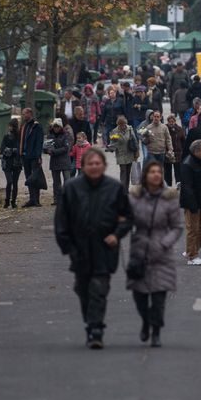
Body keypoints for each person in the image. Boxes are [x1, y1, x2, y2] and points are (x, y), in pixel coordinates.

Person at [55, 147, 133, 348]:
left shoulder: (114, 188)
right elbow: (61, 222)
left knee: (99, 288)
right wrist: (68, 247)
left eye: (98, 163)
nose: (94, 167)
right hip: (79, 249)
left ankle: (96, 328)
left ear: (104, 166)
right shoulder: (71, 188)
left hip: (105, 249)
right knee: (83, 289)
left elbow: (127, 217)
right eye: (90, 163)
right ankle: (90, 322)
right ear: (83, 166)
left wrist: (116, 235)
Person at [127, 161, 183, 348]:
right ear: (146, 175)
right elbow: (126, 218)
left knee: (159, 298)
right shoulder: (135, 197)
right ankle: (145, 321)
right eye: (152, 172)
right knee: (140, 296)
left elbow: (177, 227)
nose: (156, 175)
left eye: (159, 172)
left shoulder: (170, 198)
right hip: (139, 252)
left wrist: (164, 243)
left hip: (161, 254)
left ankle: (156, 331)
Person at [178, 139, 201, 265]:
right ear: (196, 151)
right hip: (193, 203)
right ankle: (192, 256)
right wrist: (192, 205)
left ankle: (190, 250)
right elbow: (187, 187)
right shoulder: (188, 164)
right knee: (193, 229)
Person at [19, 107, 45, 207]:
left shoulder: (36, 126)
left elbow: (39, 141)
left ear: (30, 114)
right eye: (22, 114)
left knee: (35, 178)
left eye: (24, 114)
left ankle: (36, 199)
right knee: (28, 178)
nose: (23, 116)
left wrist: (38, 155)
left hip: (33, 156)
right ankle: (31, 198)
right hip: (25, 155)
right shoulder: (24, 126)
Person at [47, 119, 74, 205]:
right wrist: (46, 150)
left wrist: (54, 151)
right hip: (54, 162)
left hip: (64, 161)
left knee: (67, 180)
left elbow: (66, 148)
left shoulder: (65, 135)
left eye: (57, 127)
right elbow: (46, 146)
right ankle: (57, 199)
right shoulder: (50, 136)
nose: (56, 128)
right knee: (56, 182)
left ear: (60, 127)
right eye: (54, 127)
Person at [0, 118, 23, 209]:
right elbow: (3, 148)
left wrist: (13, 151)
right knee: (9, 181)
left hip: (17, 162)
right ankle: (7, 201)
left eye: (10, 126)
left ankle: (13, 201)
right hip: (7, 162)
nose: (9, 128)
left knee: (15, 182)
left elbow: (20, 149)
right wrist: (12, 151)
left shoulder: (19, 137)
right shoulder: (6, 137)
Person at [111, 115, 138, 188]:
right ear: (118, 124)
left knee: (128, 172)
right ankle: (122, 190)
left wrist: (136, 152)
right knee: (123, 172)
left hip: (129, 153)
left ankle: (126, 189)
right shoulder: (114, 131)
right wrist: (110, 148)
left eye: (123, 124)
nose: (122, 126)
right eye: (121, 125)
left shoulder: (130, 129)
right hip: (121, 154)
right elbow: (112, 143)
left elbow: (135, 140)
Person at [165, 114, 186, 186]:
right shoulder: (165, 129)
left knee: (178, 170)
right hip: (168, 153)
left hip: (178, 153)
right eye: (169, 121)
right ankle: (168, 185)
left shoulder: (179, 129)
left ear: (175, 121)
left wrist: (183, 151)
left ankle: (178, 183)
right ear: (167, 122)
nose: (171, 123)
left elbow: (183, 140)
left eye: (172, 121)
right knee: (167, 171)